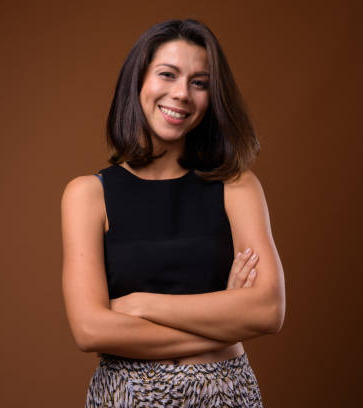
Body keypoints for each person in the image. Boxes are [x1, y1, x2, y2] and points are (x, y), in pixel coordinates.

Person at [60, 18, 285, 407]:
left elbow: (268, 309)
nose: (182, 93)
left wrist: (142, 305)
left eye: (199, 82)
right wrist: (225, 324)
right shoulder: (87, 195)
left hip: (226, 393)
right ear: (139, 82)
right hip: (128, 396)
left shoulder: (237, 186)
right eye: (168, 74)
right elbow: (90, 329)